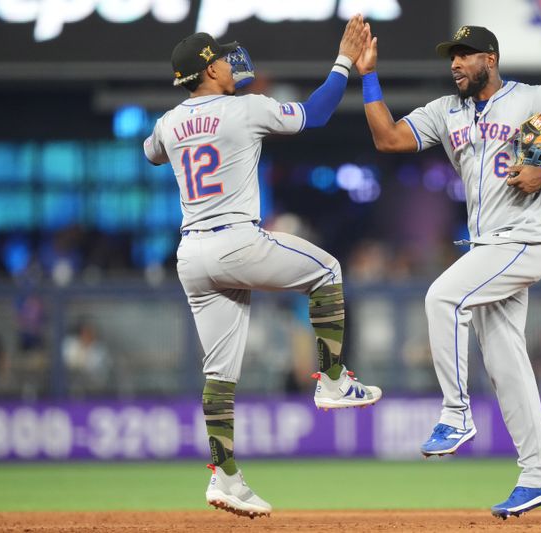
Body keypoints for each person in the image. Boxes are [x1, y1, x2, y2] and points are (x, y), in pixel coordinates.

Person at [353, 25, 541, 519]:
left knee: (442, 298)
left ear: (490, 58)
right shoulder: (447, 112)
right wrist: (368, 78)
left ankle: (455, 413)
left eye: (465, 55)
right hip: (489, 247)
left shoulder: (533, 100)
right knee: (507, 363)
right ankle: (538, 475)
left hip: (523, 240)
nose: (455, 63)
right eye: (452, 56)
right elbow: (387, 138)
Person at [142, 16, 382, 518]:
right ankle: (334, 380)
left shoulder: (167, 122)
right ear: (208, 70)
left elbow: (152, 154)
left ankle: (225, 478)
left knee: (219, 375)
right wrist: (343, 61)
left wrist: (184, 122)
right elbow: (314, 115)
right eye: (220, 58)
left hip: (191, 256)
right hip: (235, 239)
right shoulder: (243, 109)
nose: (231, 62)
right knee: (328, 270)